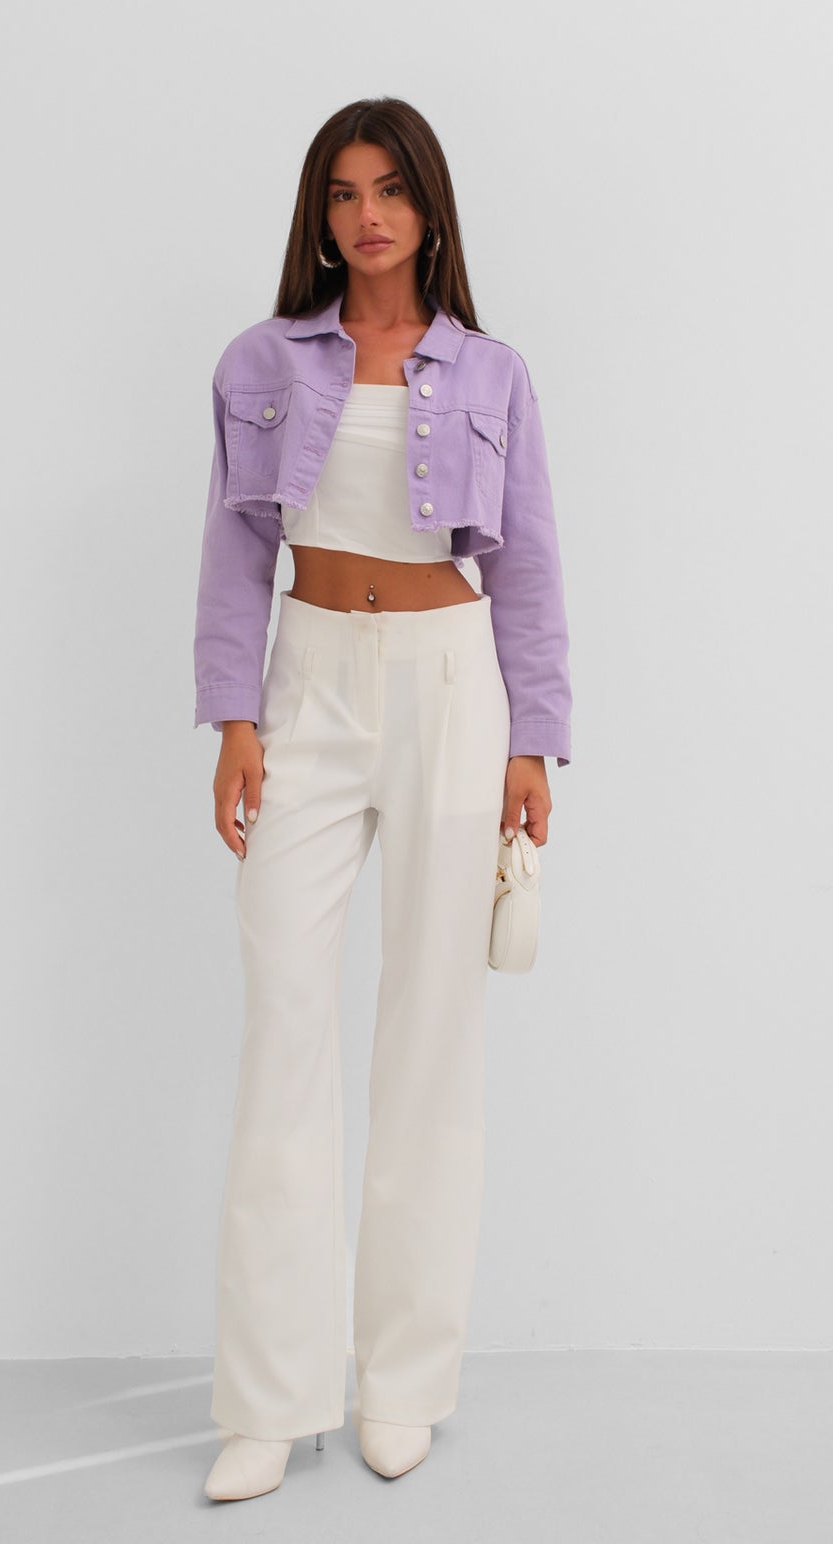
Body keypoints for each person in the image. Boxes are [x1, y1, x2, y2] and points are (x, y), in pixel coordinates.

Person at [193, 97, 572, 1501]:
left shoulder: (492, 371)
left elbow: (527, 562)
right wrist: (235, 717)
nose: (367, 216)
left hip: (448, 687)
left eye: (391, 190)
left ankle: (401, 1382)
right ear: (319, 214)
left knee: (429, 1034)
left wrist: (534, 740)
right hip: (307, 685)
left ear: (427, 209)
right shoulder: (260, 360)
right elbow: (233, 552)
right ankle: (269, 1396)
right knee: (284, 1026)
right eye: (345, 193)